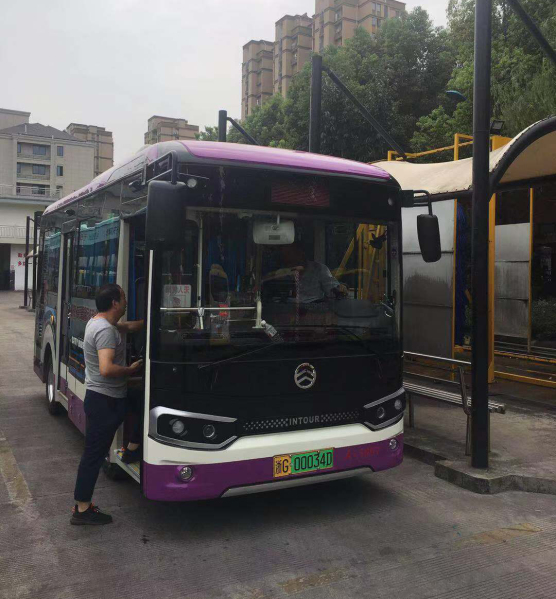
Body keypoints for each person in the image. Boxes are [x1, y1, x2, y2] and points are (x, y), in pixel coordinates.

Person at [71, 283, 143, 525]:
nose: (126, 302)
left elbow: (128, 326)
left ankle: (132, 450)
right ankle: (82, 509)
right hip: (105, 401)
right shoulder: (105, 331)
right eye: (123, 298)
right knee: (93, 455)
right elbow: (106, 368)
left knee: (144, 403)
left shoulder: (100, 322)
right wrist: (130, 370)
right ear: (115, 303)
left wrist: (155, 321)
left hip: (109, 397)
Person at [273, 242, 348, 303]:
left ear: (301, 253)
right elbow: (274, 296)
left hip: (314, 310)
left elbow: (332, 289)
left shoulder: (319, 269)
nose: (287, 258)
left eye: (290, 253)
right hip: (286, 311)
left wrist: (339, 289)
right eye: (285, 255)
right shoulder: (281, 273)